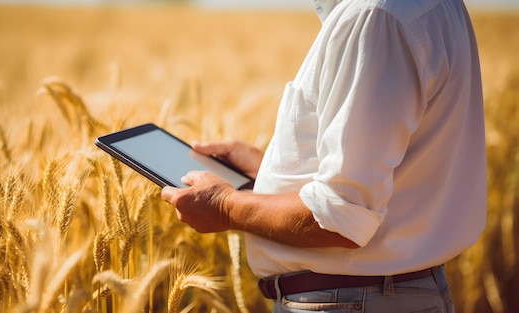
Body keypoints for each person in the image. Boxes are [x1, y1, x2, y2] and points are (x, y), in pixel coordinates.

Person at [161, 0, 487, 311]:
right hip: (382, 294)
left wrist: (224, 206)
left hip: (351, 300)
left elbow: (339, 220)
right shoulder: (430, 7)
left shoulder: (373, 18)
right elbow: (394, 172)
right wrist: (267, 173)